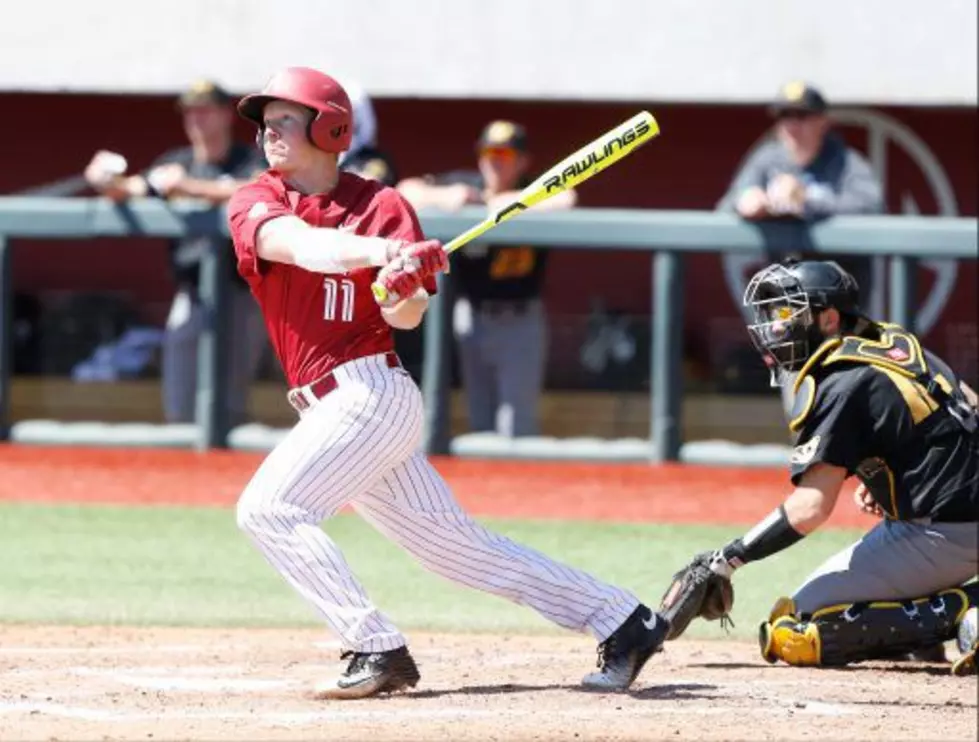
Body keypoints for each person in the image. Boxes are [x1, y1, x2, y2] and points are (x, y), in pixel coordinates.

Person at [226, 66, 668, 699]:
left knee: (269, 509)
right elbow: (299, 246)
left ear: (331, 128)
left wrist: (403, 288)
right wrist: (385, 258)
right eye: (264, 122)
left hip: (370, 394)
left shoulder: (382, 205)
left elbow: (404, 316)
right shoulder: (257, 200)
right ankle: (623, 620)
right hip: (331, 406)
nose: (269, 131)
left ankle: (374, 647)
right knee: (456, 550)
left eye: (285, 119)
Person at [662, 259, 978, 675]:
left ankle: (964, 613)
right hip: (953, 518)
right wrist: (893, 474)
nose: (775, 327)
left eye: (788, 313)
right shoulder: (891, 341)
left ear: (828, 318)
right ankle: (935, 624)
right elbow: (968, 405)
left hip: (947, 530)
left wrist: (727, 560)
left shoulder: (844, 379)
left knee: (792, 629)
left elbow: (809, 508)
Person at [83, 80, 268, 425]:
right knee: (180, 397)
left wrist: (188, 187)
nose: (197, 118)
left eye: (206, 110)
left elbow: (254, 188)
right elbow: (135, 189)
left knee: (231, 400)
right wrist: (106, 182)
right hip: (193, 291)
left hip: (242, 292)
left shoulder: (248, 159)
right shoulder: (176, 162)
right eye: (191, 111)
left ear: (225, 115)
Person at [397, 121, 576, 437]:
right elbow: (405, 190)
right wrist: (447, 195)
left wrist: (495, 206)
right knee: (479, 421)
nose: (496, 160)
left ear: (522, 161)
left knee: (515, 426)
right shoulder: (468, 185)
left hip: (520, 321)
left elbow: (566, 197)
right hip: (472, 317)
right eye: (490, 152)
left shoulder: (532, 187)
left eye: (505, 154)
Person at [717, 81, 884, 301]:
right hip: (785, 295)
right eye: (785, 116)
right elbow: (727, 205)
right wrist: (748, 200)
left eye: (802, 116)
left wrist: (807, 199)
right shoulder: (767, 159)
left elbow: (872, 206)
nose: (792, 126)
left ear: (823, 122)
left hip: (837, 296)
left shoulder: (846, 162)